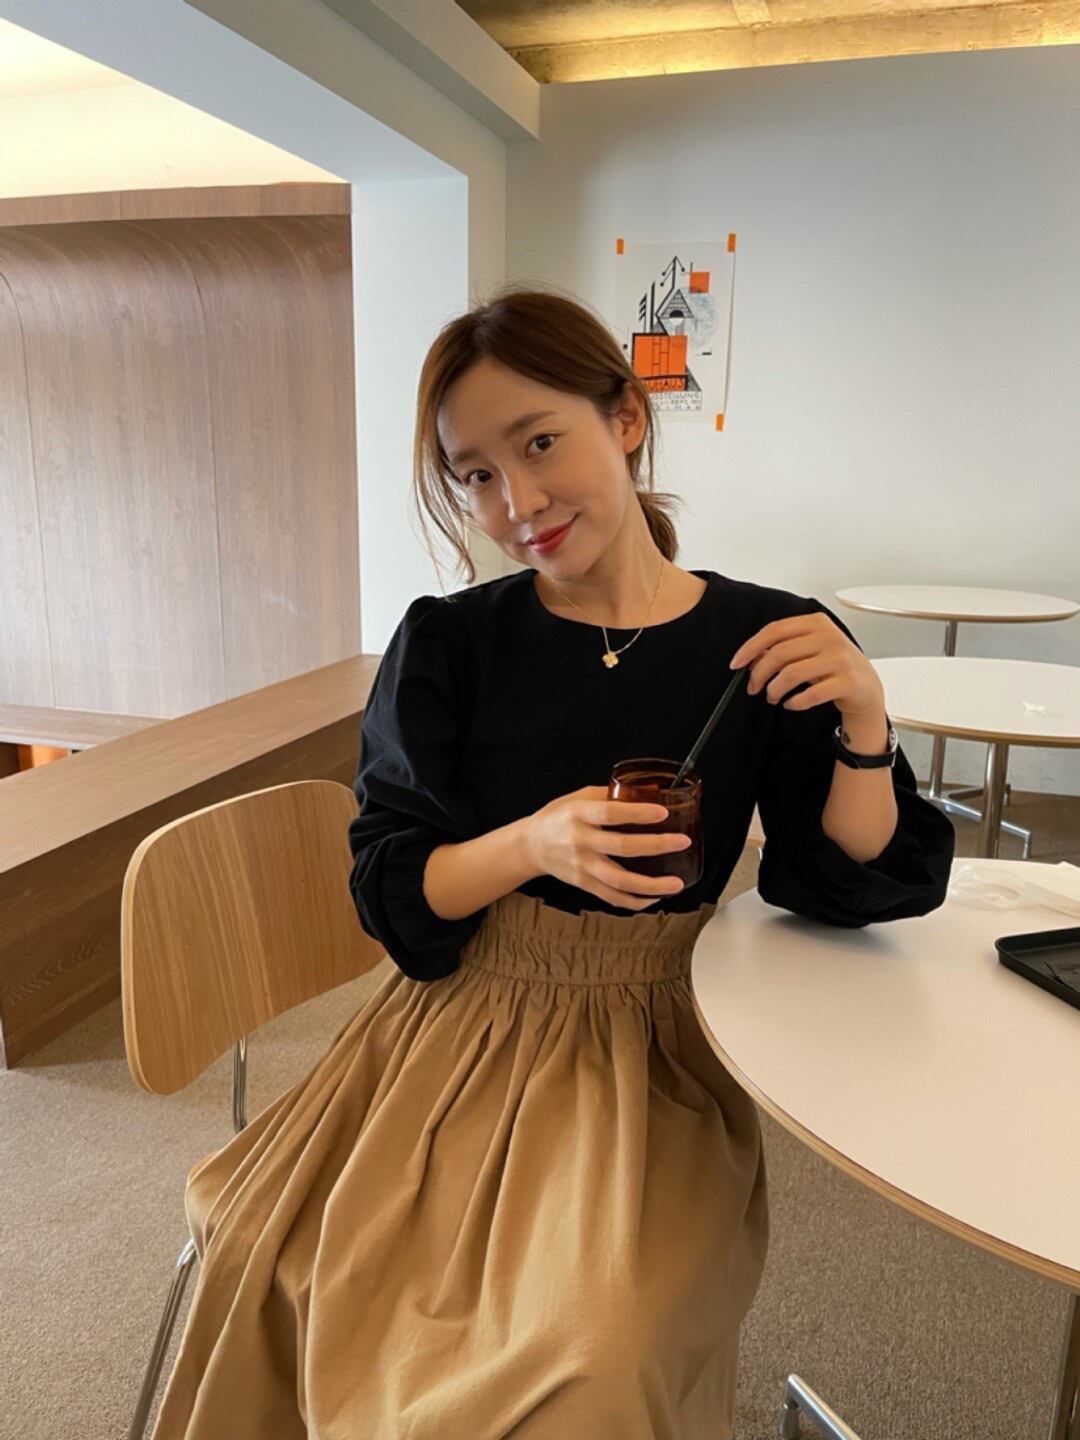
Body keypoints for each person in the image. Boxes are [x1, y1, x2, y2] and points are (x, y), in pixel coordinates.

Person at [147, 284, 955, 1440]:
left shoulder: (761, 641)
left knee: (592, 1356)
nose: (516, 503)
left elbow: (846, 883)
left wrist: (865, 726)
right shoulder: (451, 642)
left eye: (539, 444)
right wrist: (532, 842)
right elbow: (392, 888)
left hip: (651, 1051)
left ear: (625, 418)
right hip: (449, 1034)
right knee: (277, 1264)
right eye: (475, 474)